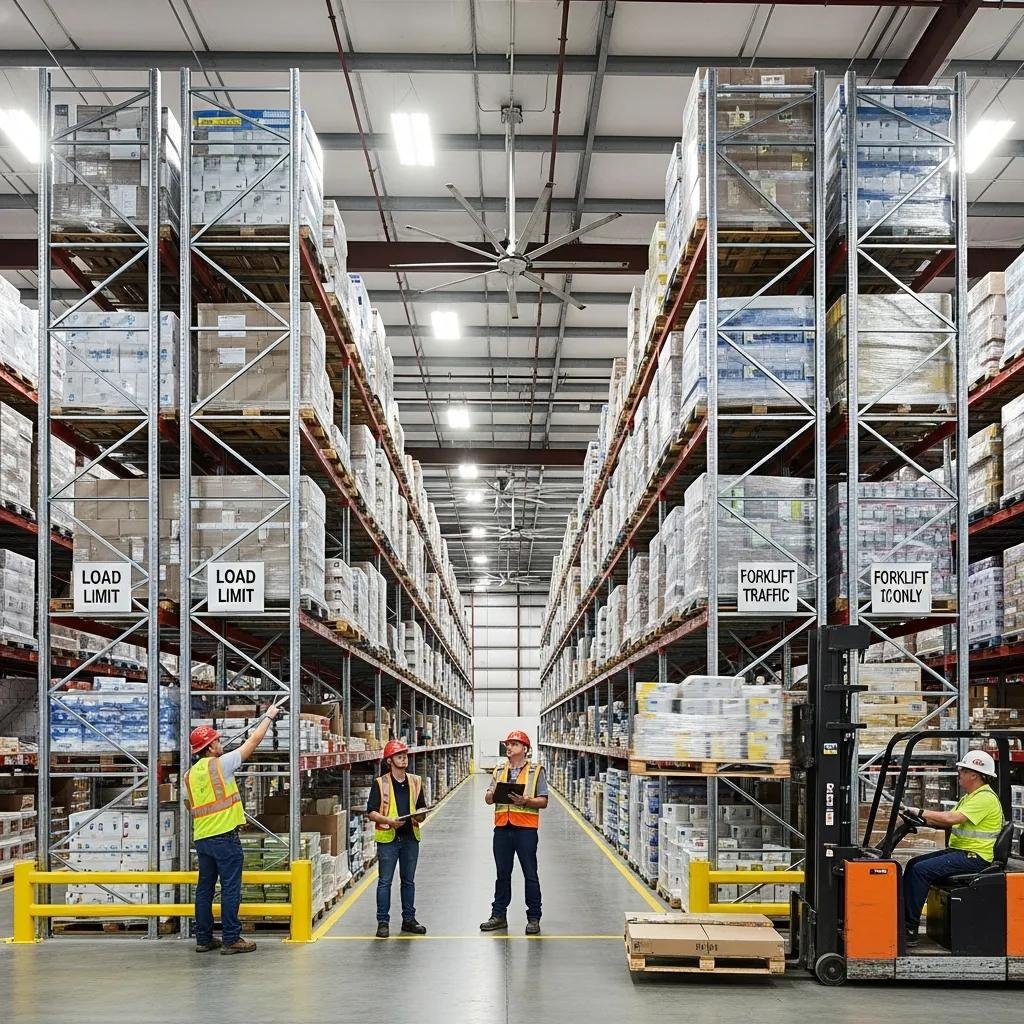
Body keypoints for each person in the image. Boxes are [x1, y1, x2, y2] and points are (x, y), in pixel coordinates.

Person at [185, 703, 280, 955]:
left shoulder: (189, 775)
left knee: (204, 889)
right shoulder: (221, 764)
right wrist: (269, 717)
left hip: (202, 838)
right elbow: (252, 742)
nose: (220, 743)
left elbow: (190, 806)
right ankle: (231, 938)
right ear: (209, 747)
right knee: (230, 888)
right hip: (224, 838)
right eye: (216, 740)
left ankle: (203, 939)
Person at [901, 749, 1005, 944]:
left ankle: (909, 928)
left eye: (963, 771)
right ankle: (904, 919)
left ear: (974, 774)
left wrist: (920, 811)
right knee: (914, 864)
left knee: (921, 871)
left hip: (976, 857)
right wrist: (921, 821)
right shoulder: (971, 797)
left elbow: (951, 818)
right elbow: (947, 823)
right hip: (962, 852)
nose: (960, 774)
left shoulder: (984, 798)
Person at [480, 729, 548, 935]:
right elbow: (488, 797)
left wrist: (526, 801)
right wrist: (491, 795)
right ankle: (498, 915)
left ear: (525, 749)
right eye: (508, 744)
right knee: (502, 874)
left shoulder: (536, 771)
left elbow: (543, 801)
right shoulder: (499, 770)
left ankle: (534, 917)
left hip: (525, 830)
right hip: (502, 828)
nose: (509, 747)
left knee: (530, 874)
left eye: (514, 744)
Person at [366, 738, 428, 938]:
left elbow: (421, 808)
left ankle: (408, 920)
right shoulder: (380, 783)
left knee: (408, 881)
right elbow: (371, 812)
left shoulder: (415, 781)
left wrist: (420, 814)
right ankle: (382, 922)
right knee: (385, 881)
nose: (403, 758)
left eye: (404, 755)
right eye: (398, 755)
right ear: (389, 760)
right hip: (389, 839)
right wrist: (389, 821)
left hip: (410, 837)